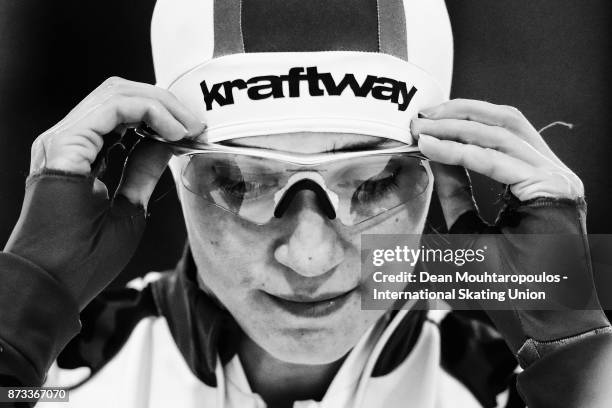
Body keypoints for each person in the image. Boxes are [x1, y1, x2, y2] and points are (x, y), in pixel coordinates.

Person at [1, 1, 611, 407]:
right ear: (168, 167)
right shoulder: (48, 385)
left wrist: (575, 360)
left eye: (370, 182)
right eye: (241, 182)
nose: (310, 257)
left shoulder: (520, 391)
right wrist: (18, 324)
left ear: (439, 177)